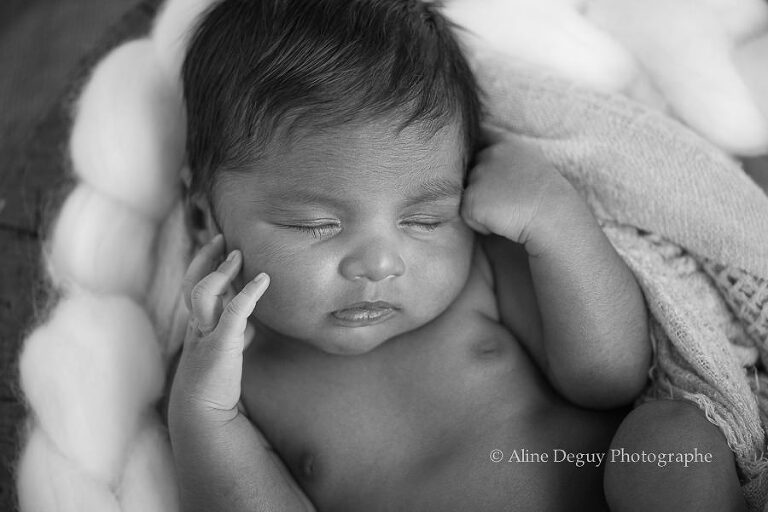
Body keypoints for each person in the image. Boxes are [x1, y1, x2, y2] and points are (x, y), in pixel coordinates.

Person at [166, 0, 746, 510]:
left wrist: (557, 220)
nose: (380, 264)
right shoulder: (237, 378)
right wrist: (206, 416)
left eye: (423, 220)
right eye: (315, 225)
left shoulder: (481, 270)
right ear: (203, 217)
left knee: (673, 442)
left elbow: (611, 380)